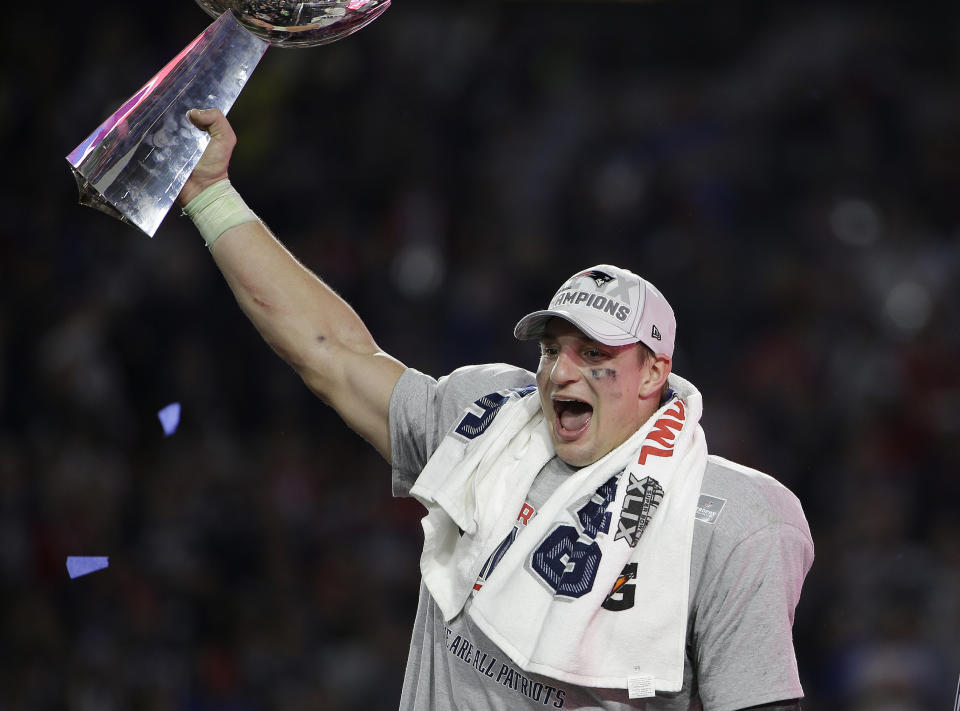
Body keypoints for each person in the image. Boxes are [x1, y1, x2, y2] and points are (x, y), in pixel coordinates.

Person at [177, 107, 814, 710]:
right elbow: (332, 355)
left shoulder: (734, 523)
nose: (561, 371)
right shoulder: (485, 424)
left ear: (654, 372)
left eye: (593, 354)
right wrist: (210, 193)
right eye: (552, 349)